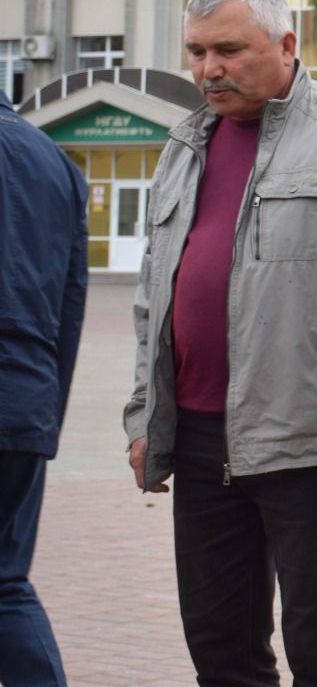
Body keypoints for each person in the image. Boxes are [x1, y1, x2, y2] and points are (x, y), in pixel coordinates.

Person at [124, 0, 317, 684]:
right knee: (220, 649)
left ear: (288, 45)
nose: (208, 69)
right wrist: (145, 415)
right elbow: (151, 297)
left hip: (311, 440)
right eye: (196, 51)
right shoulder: (184, 146)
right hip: (199, 439)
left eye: (228, 49)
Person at [0, 87, 87, 687]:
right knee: (5, 581)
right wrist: (45, 412)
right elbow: (71, 305)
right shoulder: (53, 160)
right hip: (24, 399)